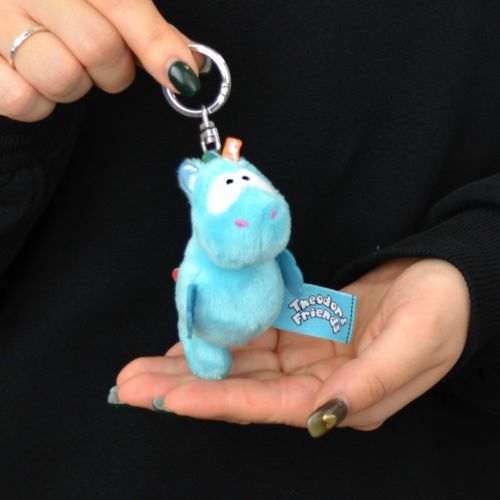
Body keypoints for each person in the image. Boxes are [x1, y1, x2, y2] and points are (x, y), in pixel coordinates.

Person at [1, 1, 499, 498]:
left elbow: (286, 268)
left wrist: (480, 264)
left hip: (430, 451)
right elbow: (188, 302)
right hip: (59, 442)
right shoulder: (198, 260)